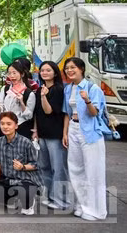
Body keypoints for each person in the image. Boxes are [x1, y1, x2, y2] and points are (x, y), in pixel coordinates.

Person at [62, 57, 108, 220]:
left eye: (73, 67)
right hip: (73, 129)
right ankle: (82, 205)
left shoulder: (92, 88)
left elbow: (94, 113)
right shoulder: (68, 89)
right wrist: (65, 133)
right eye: (67, 68)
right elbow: (67, 113)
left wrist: (87, 100)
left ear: (81, 69)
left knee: (93, 170)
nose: (69, 70)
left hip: (90, 131)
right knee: (75, 169)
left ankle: (96, 211)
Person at [34, 60, 70, 210]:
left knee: (58, 168)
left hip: (55, 135)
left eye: (48, 70)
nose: (44, 73)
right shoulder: (39, 89)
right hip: (42, 134)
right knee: (44, 167)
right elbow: (37, 113)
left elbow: (48, 111)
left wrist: (44, 97)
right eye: (42, 70)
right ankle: (50, 197)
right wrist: (35, 130)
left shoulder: (58, 89)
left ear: (55, 73)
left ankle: (61, 200)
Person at [0, 112, 42, 215]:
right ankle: (13, 197)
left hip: (25, 179)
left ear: (16, 126)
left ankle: (29, 202)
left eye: (9, 124)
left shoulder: (26, 142)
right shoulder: (0, 141)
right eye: (2, 123)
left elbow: (36, 164)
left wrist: (23, 166)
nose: (5, 127)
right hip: (8, 178)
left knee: (25, 194)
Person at [0, 58, 36, 139]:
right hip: (5, 127)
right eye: (9, 73)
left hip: (21, 127)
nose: (12, 76)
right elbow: (1, 108)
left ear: (22, 74)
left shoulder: (29, 93)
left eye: (14, 73)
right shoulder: (5, 89)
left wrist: (22, 102)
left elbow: (29, 116)